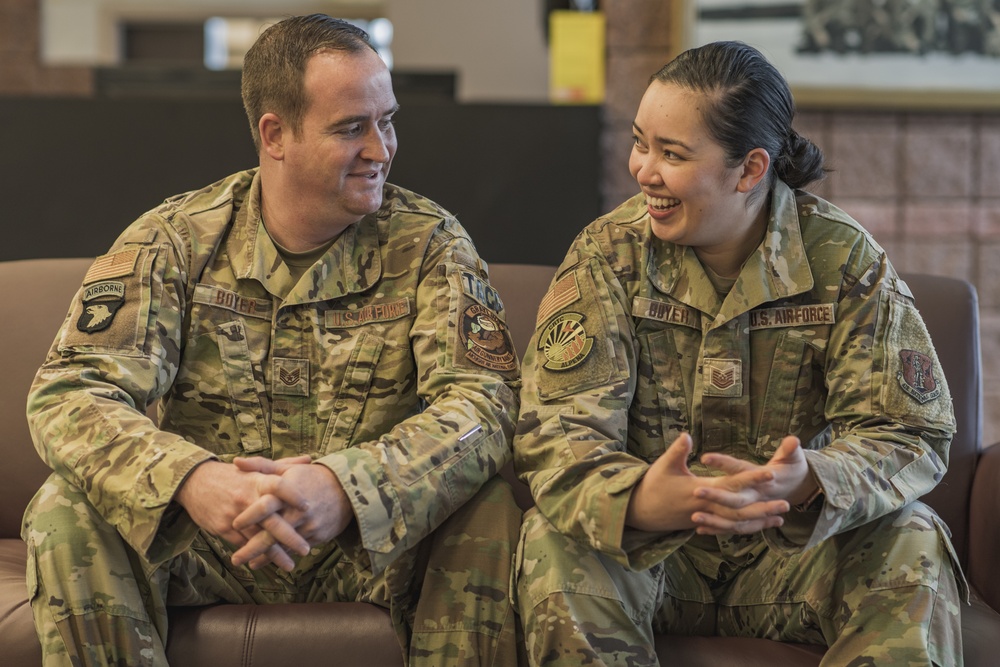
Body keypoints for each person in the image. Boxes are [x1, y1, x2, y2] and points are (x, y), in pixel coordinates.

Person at [22, 14, 522, 666]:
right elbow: (67, 394)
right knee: (65, 510)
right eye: (351, 128)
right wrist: (191, 479)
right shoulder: (173, 240)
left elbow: (484, 404)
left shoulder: (429, 243)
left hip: (369, 544)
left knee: (488, 510)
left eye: (388, 120)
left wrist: (346, 486)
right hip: (205, 540)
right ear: (275, 134)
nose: (382, 148)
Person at [513, 41, 965, 666]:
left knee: (911, 537)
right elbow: (558, 431)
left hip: (791, 559)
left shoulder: (844, 259)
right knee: (552, 540)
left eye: (671, 154)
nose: (642, 170)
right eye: (641, 142)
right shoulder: (607, 255)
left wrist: (809, 479)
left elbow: (910, 430)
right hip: (654, 559)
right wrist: (645, 498)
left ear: (750, 170)